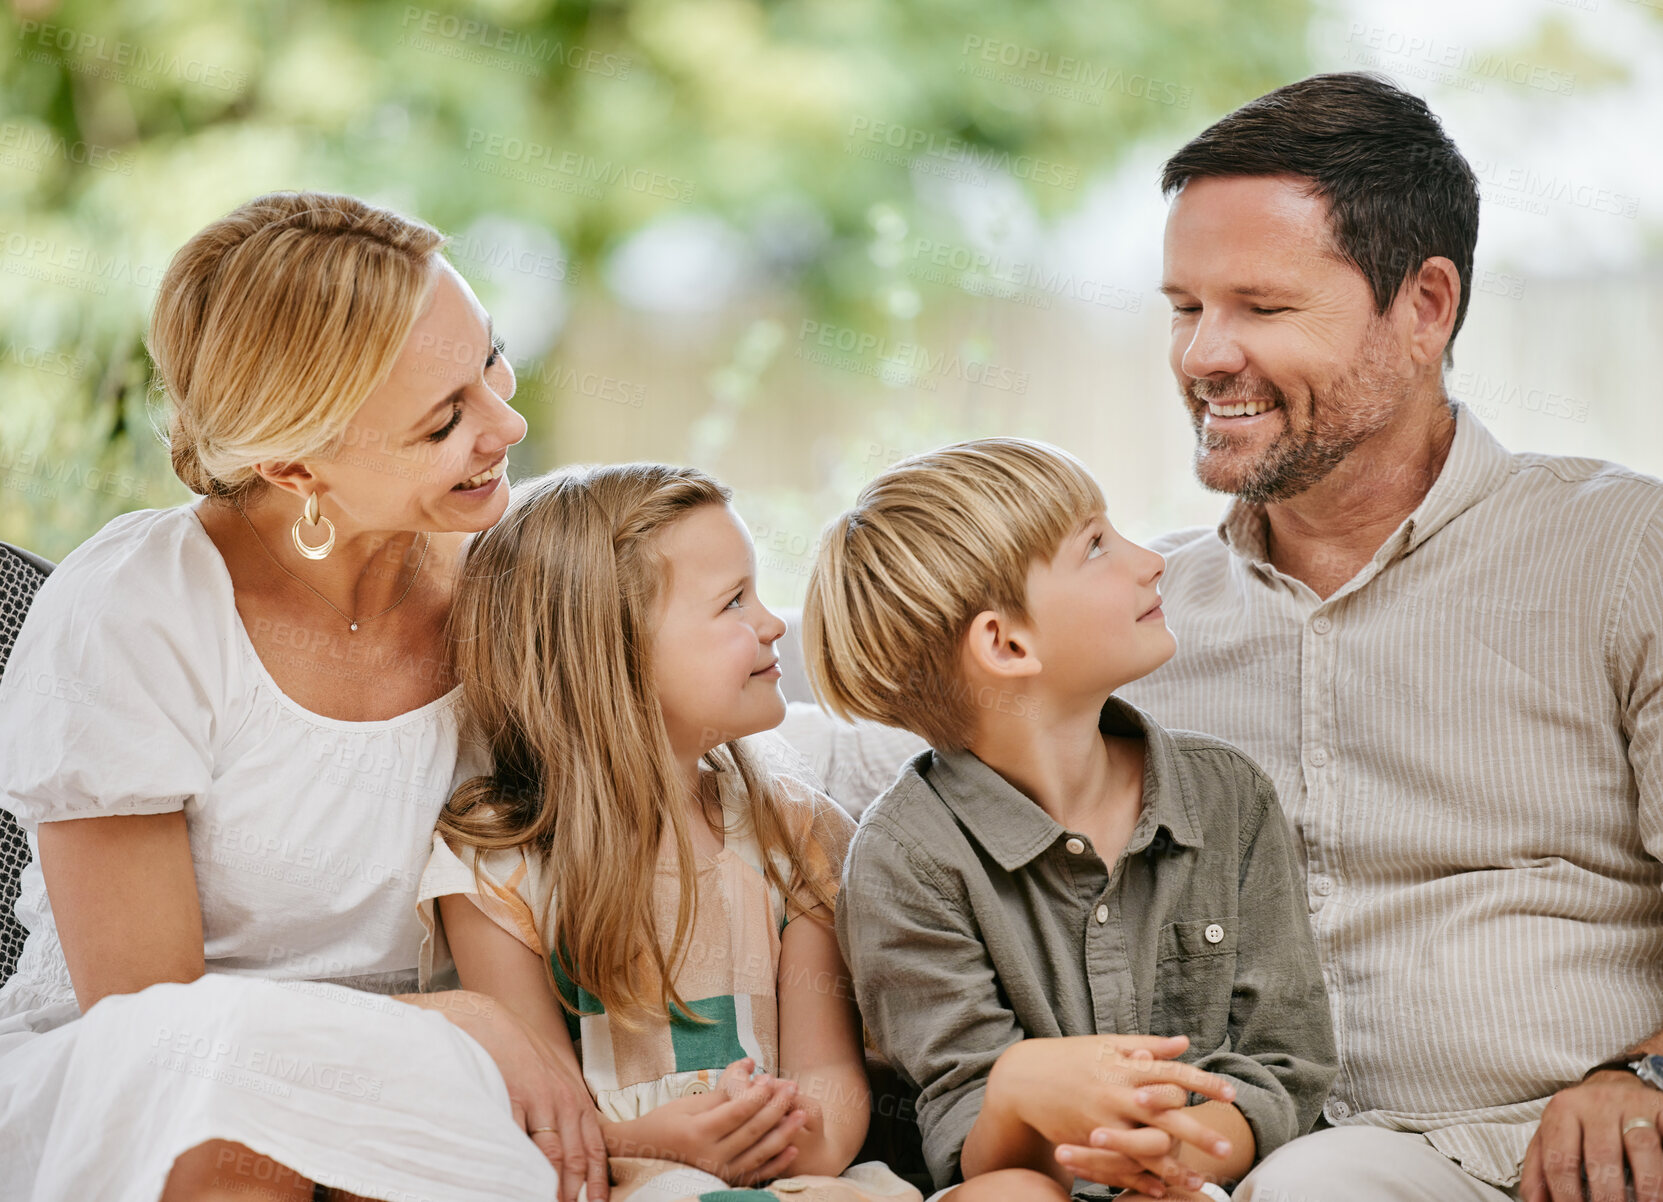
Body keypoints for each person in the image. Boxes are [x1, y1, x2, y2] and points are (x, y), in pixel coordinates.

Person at [1112, 71, 1663, 1202]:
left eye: (1261, 308)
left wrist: (1650, 1072)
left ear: (1424, 306)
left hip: (1567, 1158)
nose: (1203, 355)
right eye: (1183, 306)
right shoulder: (1136, 613)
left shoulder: (1623, 552)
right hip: (1248, 1165)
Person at [0, 192, 608, 1202]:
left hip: (425, 1092)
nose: (509, 420)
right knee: (235, 1147)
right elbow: (160, 1028)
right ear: (294, 466)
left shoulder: (516, 579)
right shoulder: (134, 611)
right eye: (443, 419)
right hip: (156, 1105)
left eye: (489, 359)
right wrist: (458, 1022)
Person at [799, 437, 1337, 1201]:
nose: (1149, 560)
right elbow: (966, 1128)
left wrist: (1175, 1156)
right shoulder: (903, 859)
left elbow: (1285, 1061)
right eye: (1094, 546)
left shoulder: (1227, 796)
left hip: (1205, 1173)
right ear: (1006, 643)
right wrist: (1023, 1091)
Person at [416, 463, 922, 1202]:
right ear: (610, 656)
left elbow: (831, 1077)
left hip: (794, 1177)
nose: (772, 622)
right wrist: (651, 1143)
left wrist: (783, 1135)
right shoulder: (494, 864)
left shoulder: (795, 832)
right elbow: (542, 1119)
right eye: (733, 603)